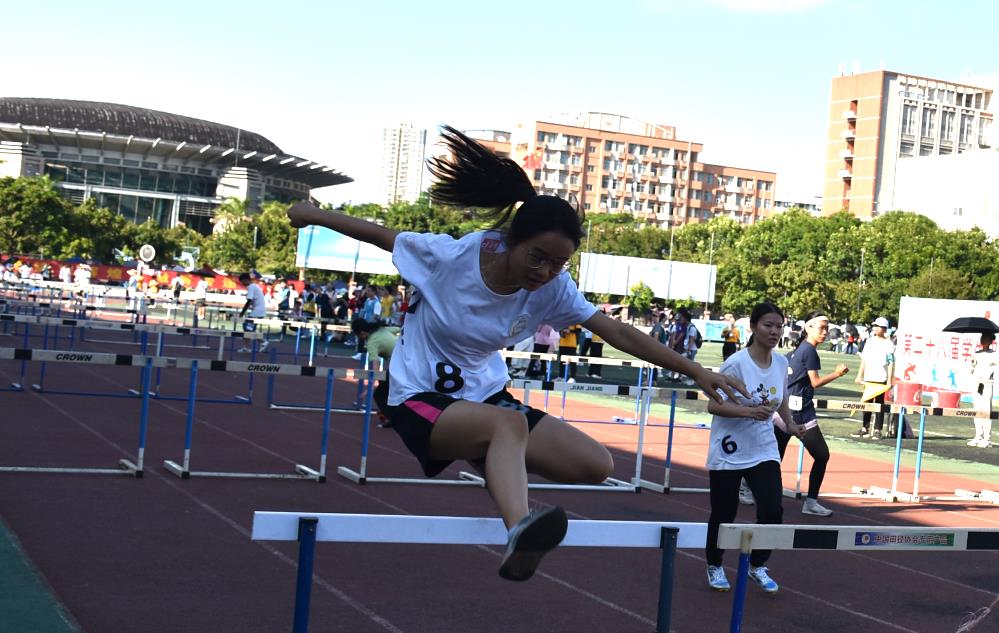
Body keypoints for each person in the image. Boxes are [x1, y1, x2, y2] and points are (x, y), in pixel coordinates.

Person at [286, 125, 745, 582]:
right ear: (511, 241)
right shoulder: (449, 258)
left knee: (595, 464)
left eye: (558, 263)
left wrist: (694, 370)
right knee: (508, 425)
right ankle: (519, 530)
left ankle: (492, 457)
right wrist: (313, 214)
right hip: (418, 397)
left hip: (483, 396)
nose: (544, 272)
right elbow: (379, 234)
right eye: (537, 257)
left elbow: (617, 331)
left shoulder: (554, 288)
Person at [704, 303, 803, 594]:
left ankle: (757, 565)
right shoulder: (736, 363)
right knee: (724, 512)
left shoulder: (781, 363)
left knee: (772, 510)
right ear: (753, 327)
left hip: (763, 447)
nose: (774, 331)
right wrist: (749, 412)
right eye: (768, 325)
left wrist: (790, 424)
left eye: (779, 326)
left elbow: (781, 398)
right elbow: (713, 405)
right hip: (730, 448)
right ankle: (714, 563)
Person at [773, 311, 848, 517]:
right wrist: (837, 373)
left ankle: (749, 488)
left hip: (783, 413)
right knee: (822, 455)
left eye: (827, 328)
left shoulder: (796, 351)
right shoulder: (809, 351)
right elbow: (815, 382)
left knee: (773, 458)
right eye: (821, 328)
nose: (825, 332)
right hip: (799, 416)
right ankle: (811, 502)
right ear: (808, 328)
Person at [352, 318, 401, 428]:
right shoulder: (381, 329)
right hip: (407, 358)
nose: (359, 339)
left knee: (379, 394)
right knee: (386, 386)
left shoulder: (371, 343)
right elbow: (399, 329)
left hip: (401, 364)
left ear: (362, 333)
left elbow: (375, 371)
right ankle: (390, 414)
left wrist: (368, 390)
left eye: (358, 336)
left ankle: (393, 418)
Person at [852, 316, 895, 440]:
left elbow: (891, 362)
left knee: (879, 404)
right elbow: (864, 360)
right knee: (867, 402)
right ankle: (864, 428)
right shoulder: (869, 341)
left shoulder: (889, 344)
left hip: (881, 377)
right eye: (875, 326)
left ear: (884, 329)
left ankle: (877, 430)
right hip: (868, 377)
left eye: (878, 326)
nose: (875, 328)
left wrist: (889, 380)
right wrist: (859, 375)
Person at [969, 332, 998, 447]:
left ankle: (987, 439)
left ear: (990, 341)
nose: (982, 339)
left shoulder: (994, 354)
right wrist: (972, 362)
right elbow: (972, 370)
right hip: (977, 384)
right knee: (976, 409)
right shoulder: (976, 353)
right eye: (981, 337)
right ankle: (978, 436)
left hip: (987, 384)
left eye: (985, 338)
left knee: (986, 410)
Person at [237, 272, 269, 353]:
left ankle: (263, 341)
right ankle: (246, 347)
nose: (242, 283)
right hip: (259, 310)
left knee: (248, 328)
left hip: (257, 311)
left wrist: (242, 313)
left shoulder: (251, 287)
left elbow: (249, 301)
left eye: (242, 281)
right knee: (248, 329)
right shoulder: (254, 286)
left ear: (246, 280)